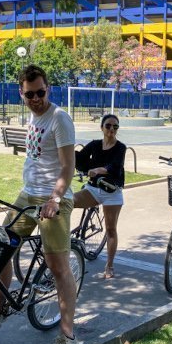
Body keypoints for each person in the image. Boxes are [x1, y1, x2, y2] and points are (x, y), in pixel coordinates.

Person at [0, 65, 80, 344]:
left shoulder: (59, 118)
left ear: (48, 89)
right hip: (28, 194)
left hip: (54, 199)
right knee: (1, 246)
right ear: (21, 93)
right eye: (29, 94)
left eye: (40, 92)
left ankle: (68, 337)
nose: (35, 99)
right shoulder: (32, 116)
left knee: (58, 267)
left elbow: (68, 166)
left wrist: (55, 199)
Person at [74, 113, 127, 278]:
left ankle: (109, 266)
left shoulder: (121, 147)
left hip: (112, 192)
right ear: (101, 128)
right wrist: (67, 151)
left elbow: (115, 167)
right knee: (67, 202)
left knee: (111, 229)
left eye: (115, 126)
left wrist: (98, 170)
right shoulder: (95, 144)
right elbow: (80, 159)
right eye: (108, 126)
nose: (112, 129)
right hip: (93, 190)